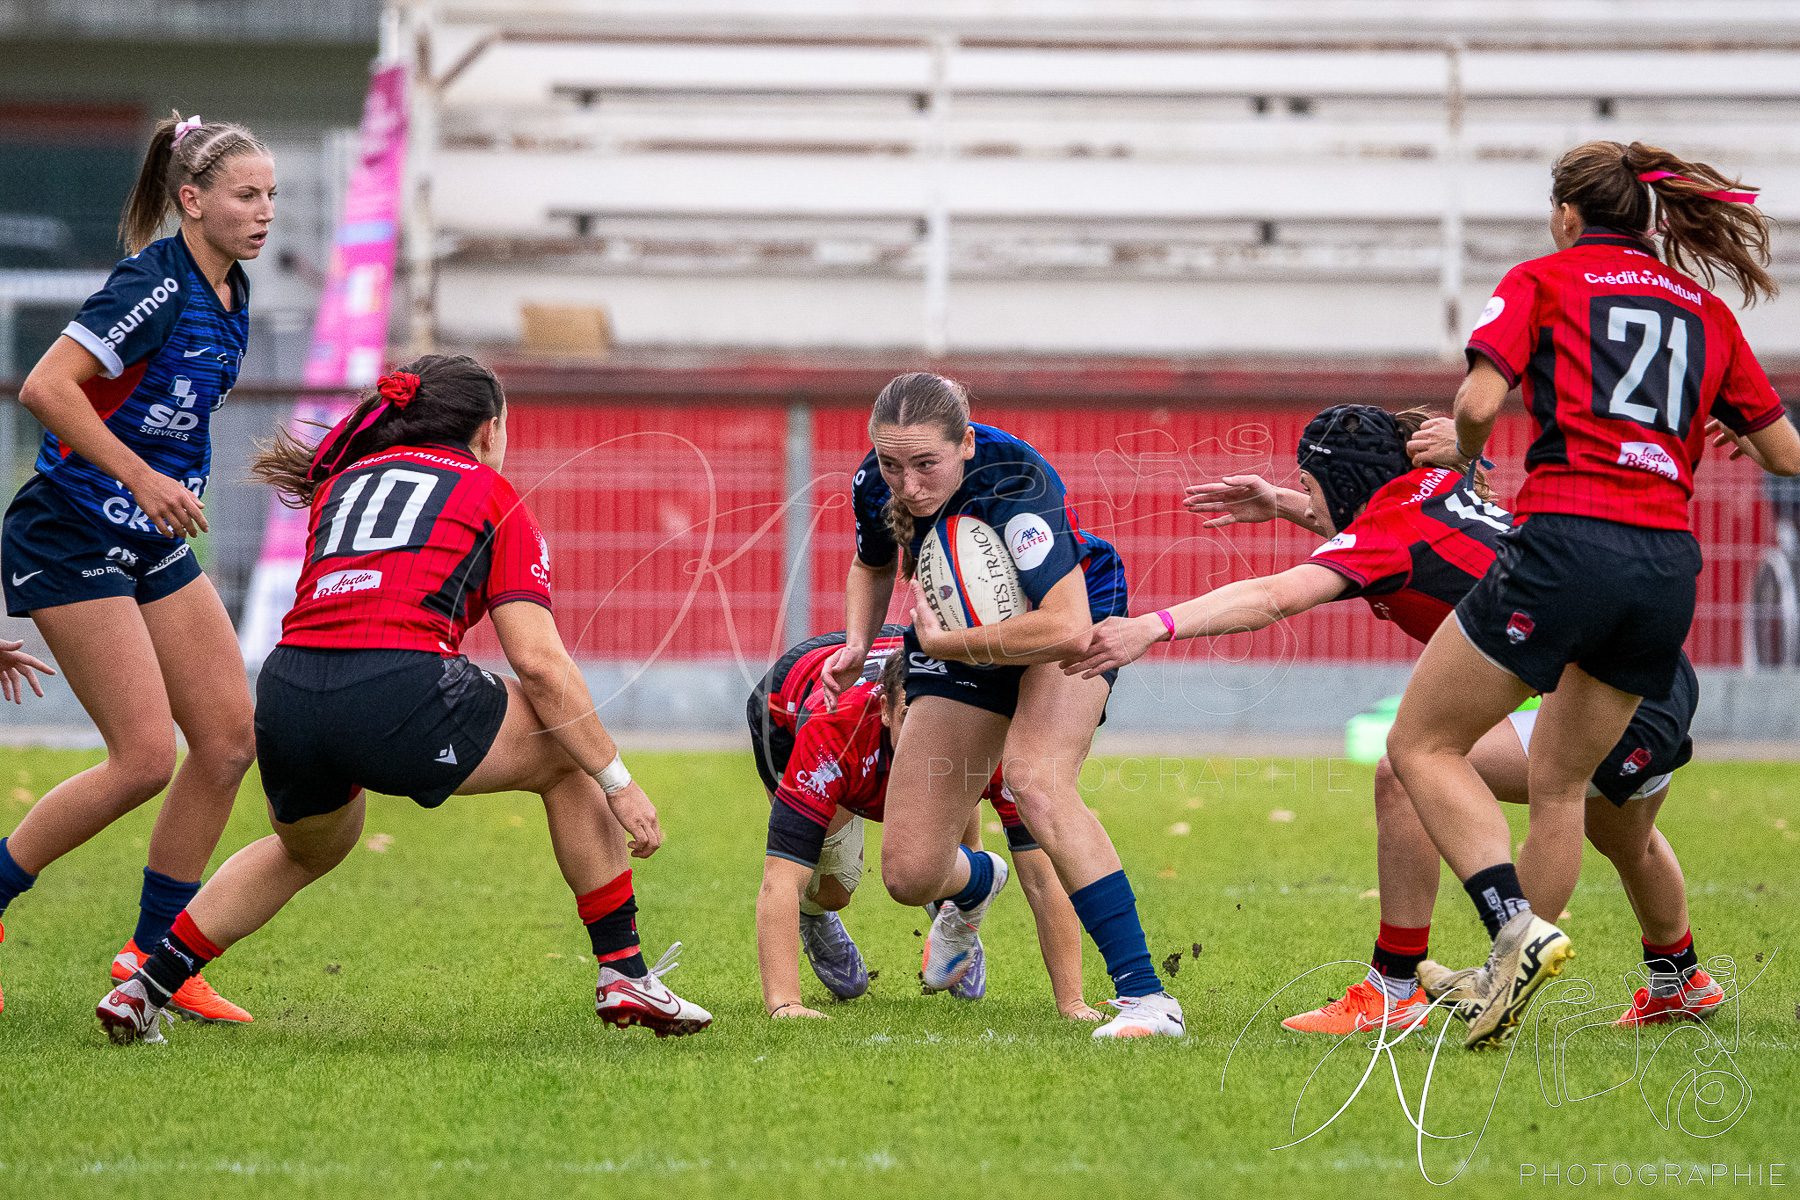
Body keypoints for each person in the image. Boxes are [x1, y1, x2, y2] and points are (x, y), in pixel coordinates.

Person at [95, 355, 710, 1043]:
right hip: (395, 688)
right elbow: (538, 663)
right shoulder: (491, 492)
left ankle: (146, 986)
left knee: (304, 849)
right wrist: (618, 782)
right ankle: (624, 972)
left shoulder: (346, 479)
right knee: (567, 747)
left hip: (289, 691)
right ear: (489, 431)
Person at [1068, 404, 1718, 1034]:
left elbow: (1273, 595)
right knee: (1625, 837)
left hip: (1606, 694)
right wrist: (1284, 503)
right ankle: (1681, 980)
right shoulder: (1430, 488)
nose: (1307, 499)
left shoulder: (1388, 531)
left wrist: (1154, 625)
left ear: (1345, 485)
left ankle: (1418, 982)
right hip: (1657, 681)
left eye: (1309, 486)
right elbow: (1376, 532)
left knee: (1413, 772)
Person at [1380, 141, 1800, 1049]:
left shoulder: (1543, 278)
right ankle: (1509, 982)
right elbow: (1785, 454)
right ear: (1649, 219)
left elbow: (1482, 403)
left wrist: (1460, 451)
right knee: (1562, 785)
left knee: (1419, 743)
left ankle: (1513, 926)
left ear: (1569, 214)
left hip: (1570, 539)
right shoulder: (1705, 311)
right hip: (1665, 567)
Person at [1, 113, 276, 1023]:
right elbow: (46, 388)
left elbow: (173, 415)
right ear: (190, 201)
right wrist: (145, 476)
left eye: (271, 194)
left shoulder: (234, 294)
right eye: (246, 194)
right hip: (71, 531)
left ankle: (155, 960)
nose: (264, 210)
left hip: (149, 532)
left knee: (230, 740)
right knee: (143, 758)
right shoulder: (150, 284)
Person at [818, 372, 1182, 1038]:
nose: (909, 485)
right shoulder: (876, 482)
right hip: (956, 637)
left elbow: (1067, 628)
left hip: (1061, 614)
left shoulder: (1016, 482)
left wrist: (953, 644)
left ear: (965, 443)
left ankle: (1147, 999)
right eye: (893, 464)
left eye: (927, 464)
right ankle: (976, 883)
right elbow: (872, 562)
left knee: (1036, 778)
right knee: (908, 872)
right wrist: (855, 641)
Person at [752, 637, 1098, 1019]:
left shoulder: (990, 732)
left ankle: (959, 907)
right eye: (911, 717)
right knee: (829, 885)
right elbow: (780, 877)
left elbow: (1042, 878)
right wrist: (786, 1004)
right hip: (786, 708)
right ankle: (815, 915)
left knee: (952, 781)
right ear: (886, 710)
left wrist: (1073, 1002)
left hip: (923, 685)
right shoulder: (832, 735)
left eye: (940, 720)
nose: (928, 738)